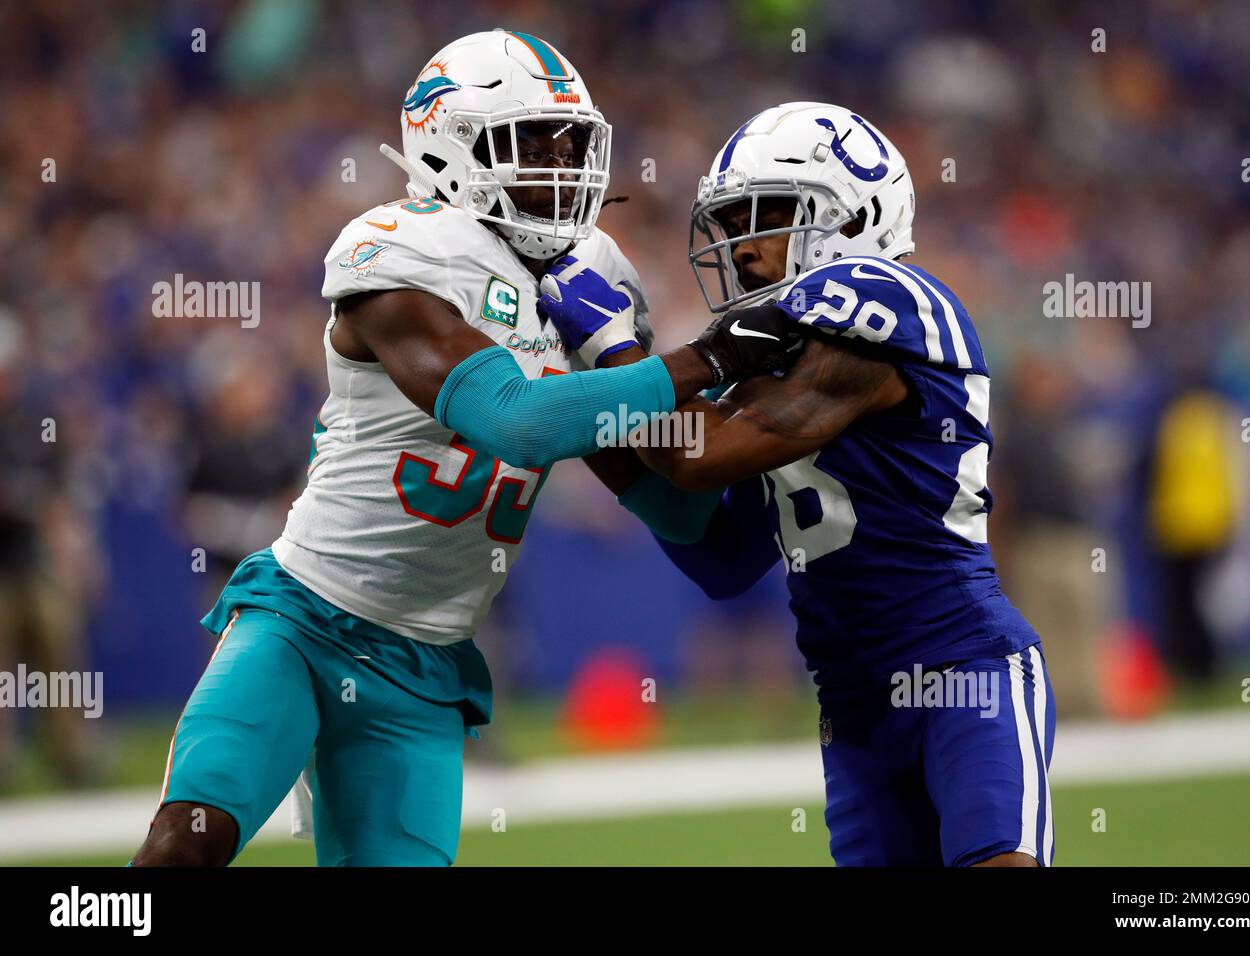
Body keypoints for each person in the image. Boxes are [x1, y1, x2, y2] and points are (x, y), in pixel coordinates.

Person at [132, 31, 798, 867]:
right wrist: (715, 355)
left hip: (425, 666)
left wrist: (777, 430)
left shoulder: (592, 270)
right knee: (183, 849)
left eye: (571, 143)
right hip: (302, 621)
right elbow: (514, 420)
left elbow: (682, 514)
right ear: (449, 146)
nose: (559, 165)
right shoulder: (401, 248)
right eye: (531, 143)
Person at [538, 102, 1055, 867]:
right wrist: (577, 416)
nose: (744, 248)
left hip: (961, 673)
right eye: (734, 220)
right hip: (852, 705)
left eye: (770, 214)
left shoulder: (887, 300)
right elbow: (718, 553)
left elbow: (692, 455)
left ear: (852, 218)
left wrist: (612, 357)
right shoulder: (786, 367)